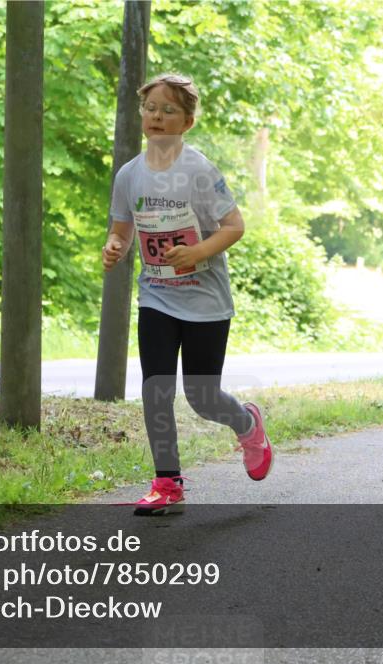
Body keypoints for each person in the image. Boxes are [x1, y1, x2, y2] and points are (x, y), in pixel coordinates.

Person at [102, 73, 273, 515]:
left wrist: (196, 251)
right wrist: (116, 247)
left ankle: (247, 423)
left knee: (202, 397)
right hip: (156, 296)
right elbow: (122, 230)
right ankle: (167, 482)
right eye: (151, 109)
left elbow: (234, 226)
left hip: (205, 302)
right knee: (156, 389)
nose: (157, 117)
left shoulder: (198, 171)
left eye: (169, 110)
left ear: (188, 121)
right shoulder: (129, 175)